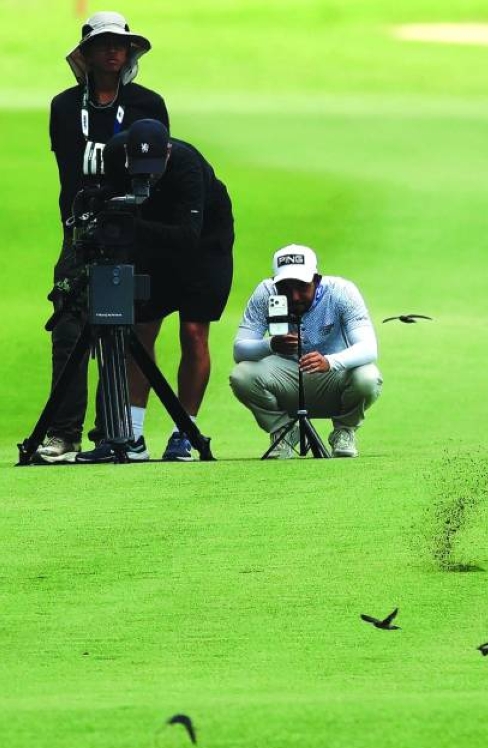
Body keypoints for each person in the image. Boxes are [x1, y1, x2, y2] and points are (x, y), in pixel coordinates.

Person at [39, 11, 168, 463]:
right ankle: (63, 433)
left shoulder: (147, 105)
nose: (114, 51)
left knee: (120, 331)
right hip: (78, 234)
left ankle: (113, 432)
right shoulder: (62, 106)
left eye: (121, 44)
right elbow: (68, 170)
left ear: (130, 52)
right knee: (69, 331)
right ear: (87, 52)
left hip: (129, 234)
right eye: (104, 44)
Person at [74, 118, 235, 463]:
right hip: (150, 240)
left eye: (154, 168)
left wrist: (133, 226)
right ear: (127, 155)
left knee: (193, 333)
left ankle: (185, 433)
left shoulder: (187, 166)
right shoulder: (116, 153)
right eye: (139, 167)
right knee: (141, 329)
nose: (147, 176)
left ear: (168, 152)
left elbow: (188, 236)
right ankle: (132, 436)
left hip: (205, 247)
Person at [229, 245, 382, 458]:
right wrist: (270, 345)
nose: (295, 296)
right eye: (285, 288)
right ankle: (285, 431)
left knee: (367, 376)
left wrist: (329, 362)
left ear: (316, 279)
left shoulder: (341, 291)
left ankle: (344, 430)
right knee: (241, 374)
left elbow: (368, 348)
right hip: (286, 378)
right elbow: (240, 350)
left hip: (331, 376)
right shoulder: (266, 293)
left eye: (302, 287)